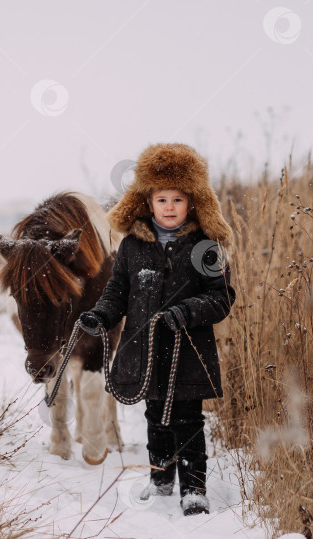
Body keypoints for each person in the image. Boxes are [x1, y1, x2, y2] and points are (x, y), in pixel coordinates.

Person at [78, 143, 235, 516]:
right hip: (144, 349)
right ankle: (161, 478)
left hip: (189, 350)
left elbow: (222, 296)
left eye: (177, 199)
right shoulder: (132, 246)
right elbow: (117, 291)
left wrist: (187, 310)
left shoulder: (205, 247)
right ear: (147, 202)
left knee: (188, 418)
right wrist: (101, 316)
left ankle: (194, 488)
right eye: (161, 199)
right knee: (155, 415)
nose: (169, 207)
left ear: (193, 202)